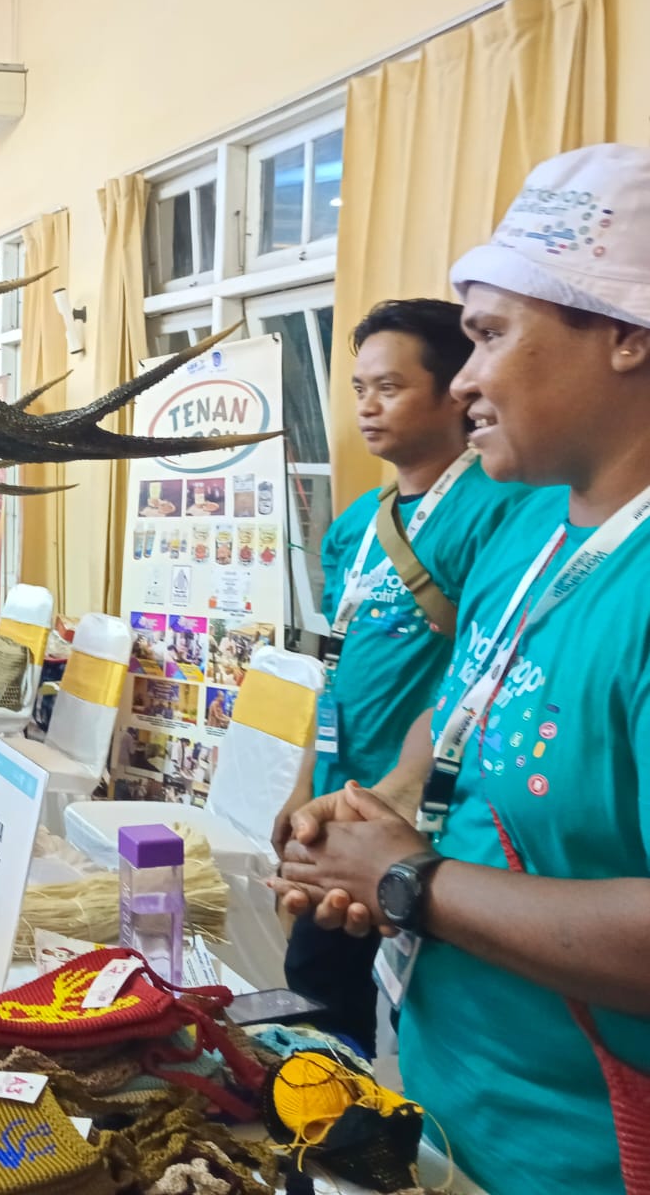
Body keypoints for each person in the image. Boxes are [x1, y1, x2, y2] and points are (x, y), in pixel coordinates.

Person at [273, 143, 650, 1194]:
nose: (468, 377)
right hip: (454, 1111)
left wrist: (411, 882)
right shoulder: (532, 528)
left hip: (591, 1152)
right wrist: (368, 824)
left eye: (489, 336)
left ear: (625, 334)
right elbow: (461, 717)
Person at [271, 298, 532, 1053]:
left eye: (388, 387)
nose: (367, 406)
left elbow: (485, 673)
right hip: (335, 798)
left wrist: (402, 800)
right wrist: (298, 786)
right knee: (316, 996)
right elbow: (332, 668)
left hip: (418, 821)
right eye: (357, 389)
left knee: (417, 1004)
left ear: (454, 389)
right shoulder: (356, 522)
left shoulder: (499, 508)